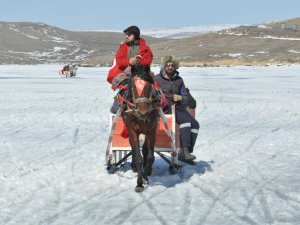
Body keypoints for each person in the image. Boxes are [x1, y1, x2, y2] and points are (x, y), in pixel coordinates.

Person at [154, 56, 199, 164]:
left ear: (175, 67)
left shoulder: (179, 80)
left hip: (177, 107)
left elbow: (185, 96)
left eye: (172, 65)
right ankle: (184, 152)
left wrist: (180, 98)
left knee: (195, 125)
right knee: (186, 122)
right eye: (168, 65)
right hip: (164, 108)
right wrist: (161, 99)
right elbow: (153, 93)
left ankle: (186, 152)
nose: (170, 67)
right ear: (164, 66)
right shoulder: (157, 78)